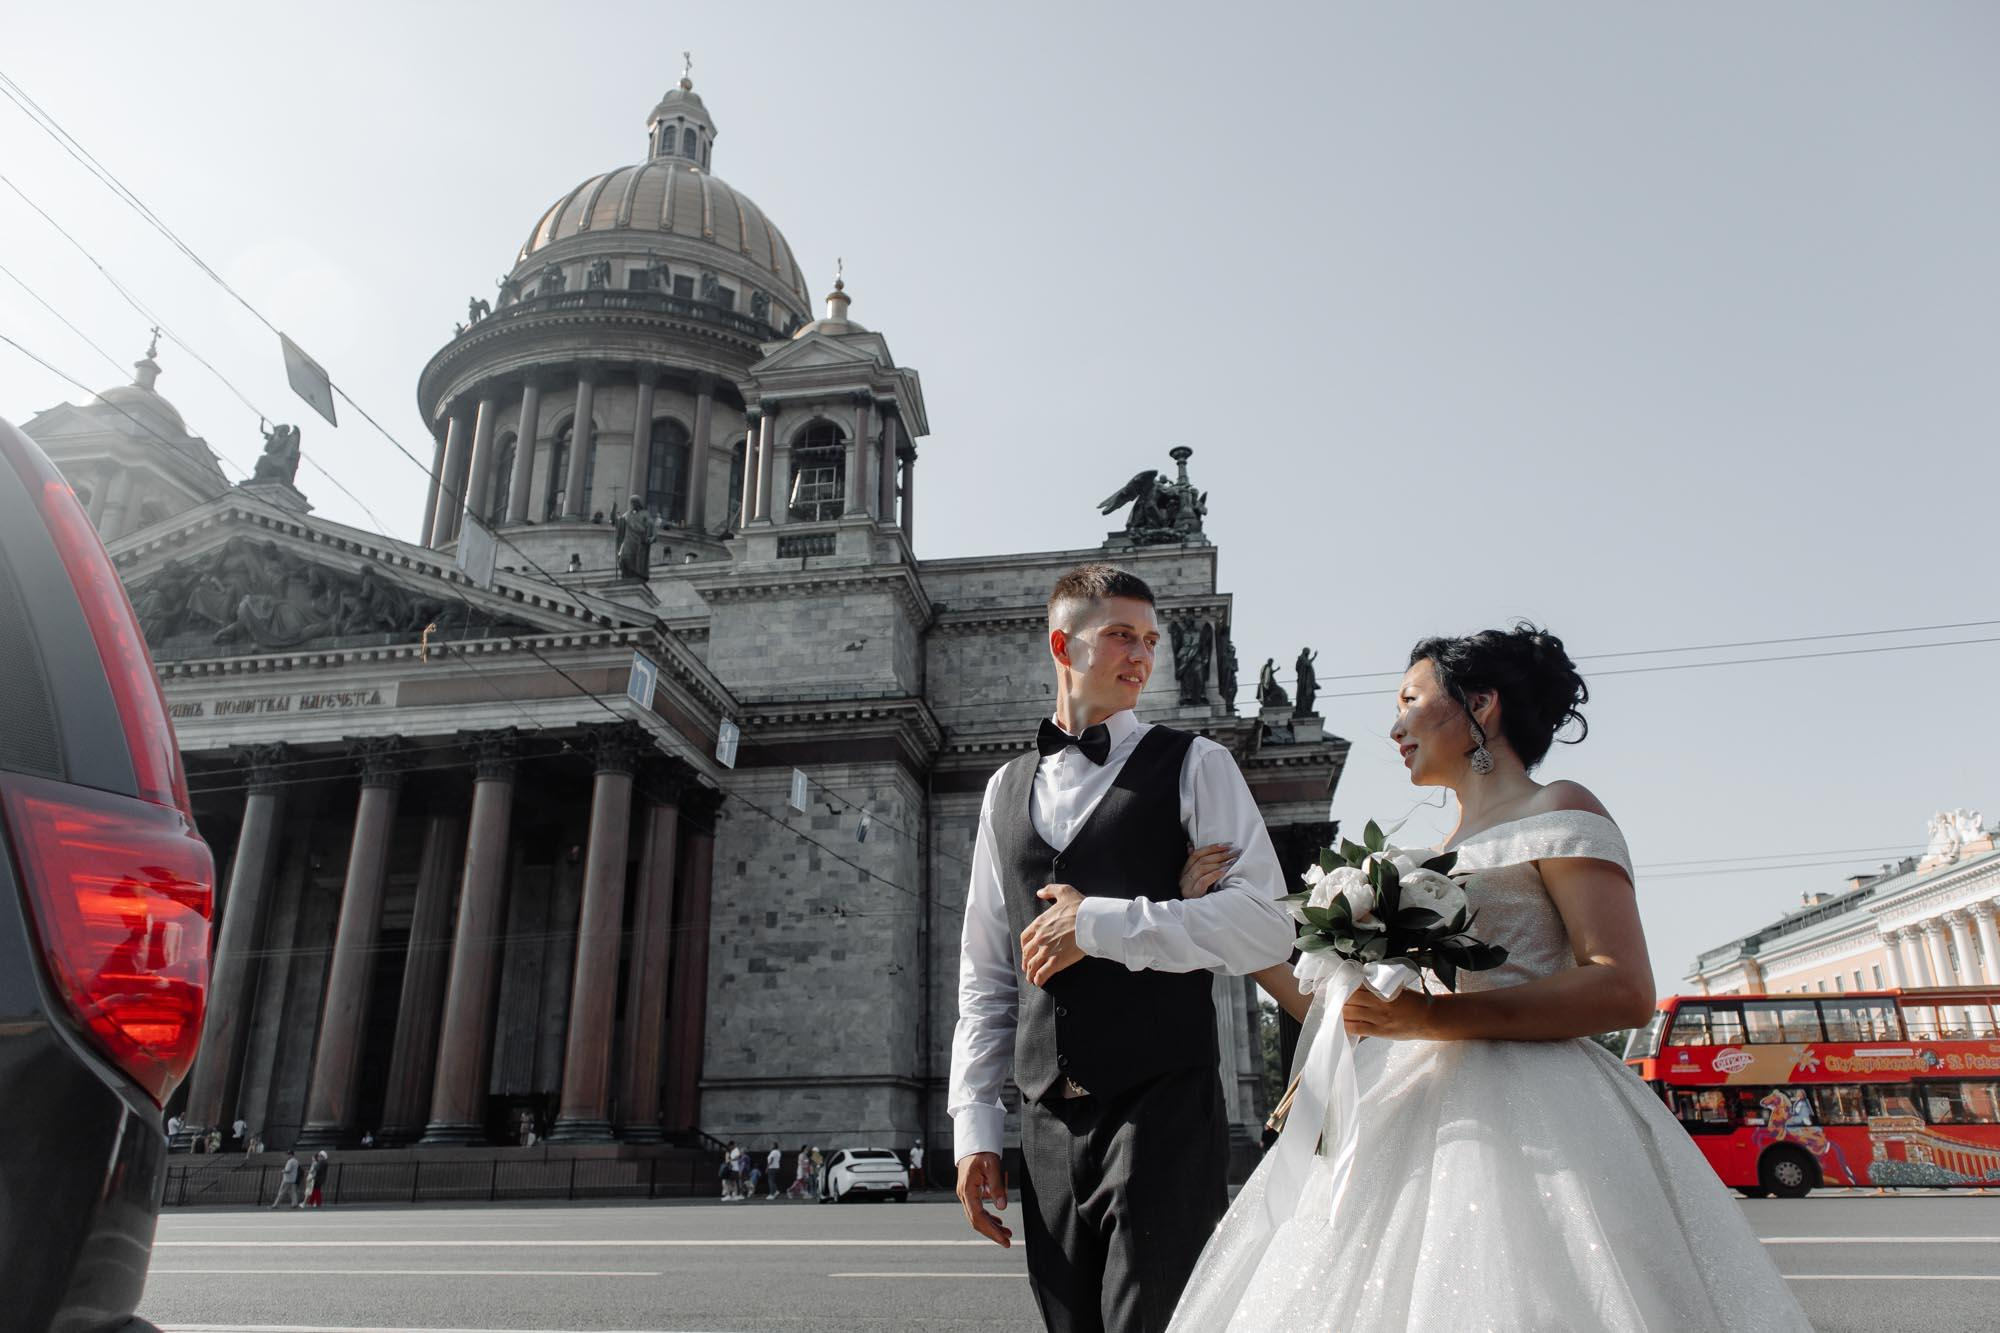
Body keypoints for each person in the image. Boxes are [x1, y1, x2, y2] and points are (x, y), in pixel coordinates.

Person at [1169, 626, 1811, 1330]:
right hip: (1409, 1107)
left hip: (1541, 1112)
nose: (1394, 726)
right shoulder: (1432, 855)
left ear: (1482, 703)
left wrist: (1432, 1020)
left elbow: (1622, 987)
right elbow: (1344, 1014)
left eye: (1411, 700)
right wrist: (1221, 921)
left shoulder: (1558, 807)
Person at [948, 564, 1293, 1333]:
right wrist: (974, 1124)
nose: (1142, 655)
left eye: (1150, 639)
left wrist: (1098, 923)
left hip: (1162, 1108)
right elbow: (987, 975)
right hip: (1044, 1124)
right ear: (1061, 644)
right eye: (1120, 636)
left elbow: (1266, 926)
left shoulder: (1200, 764)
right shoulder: (1004, 789)